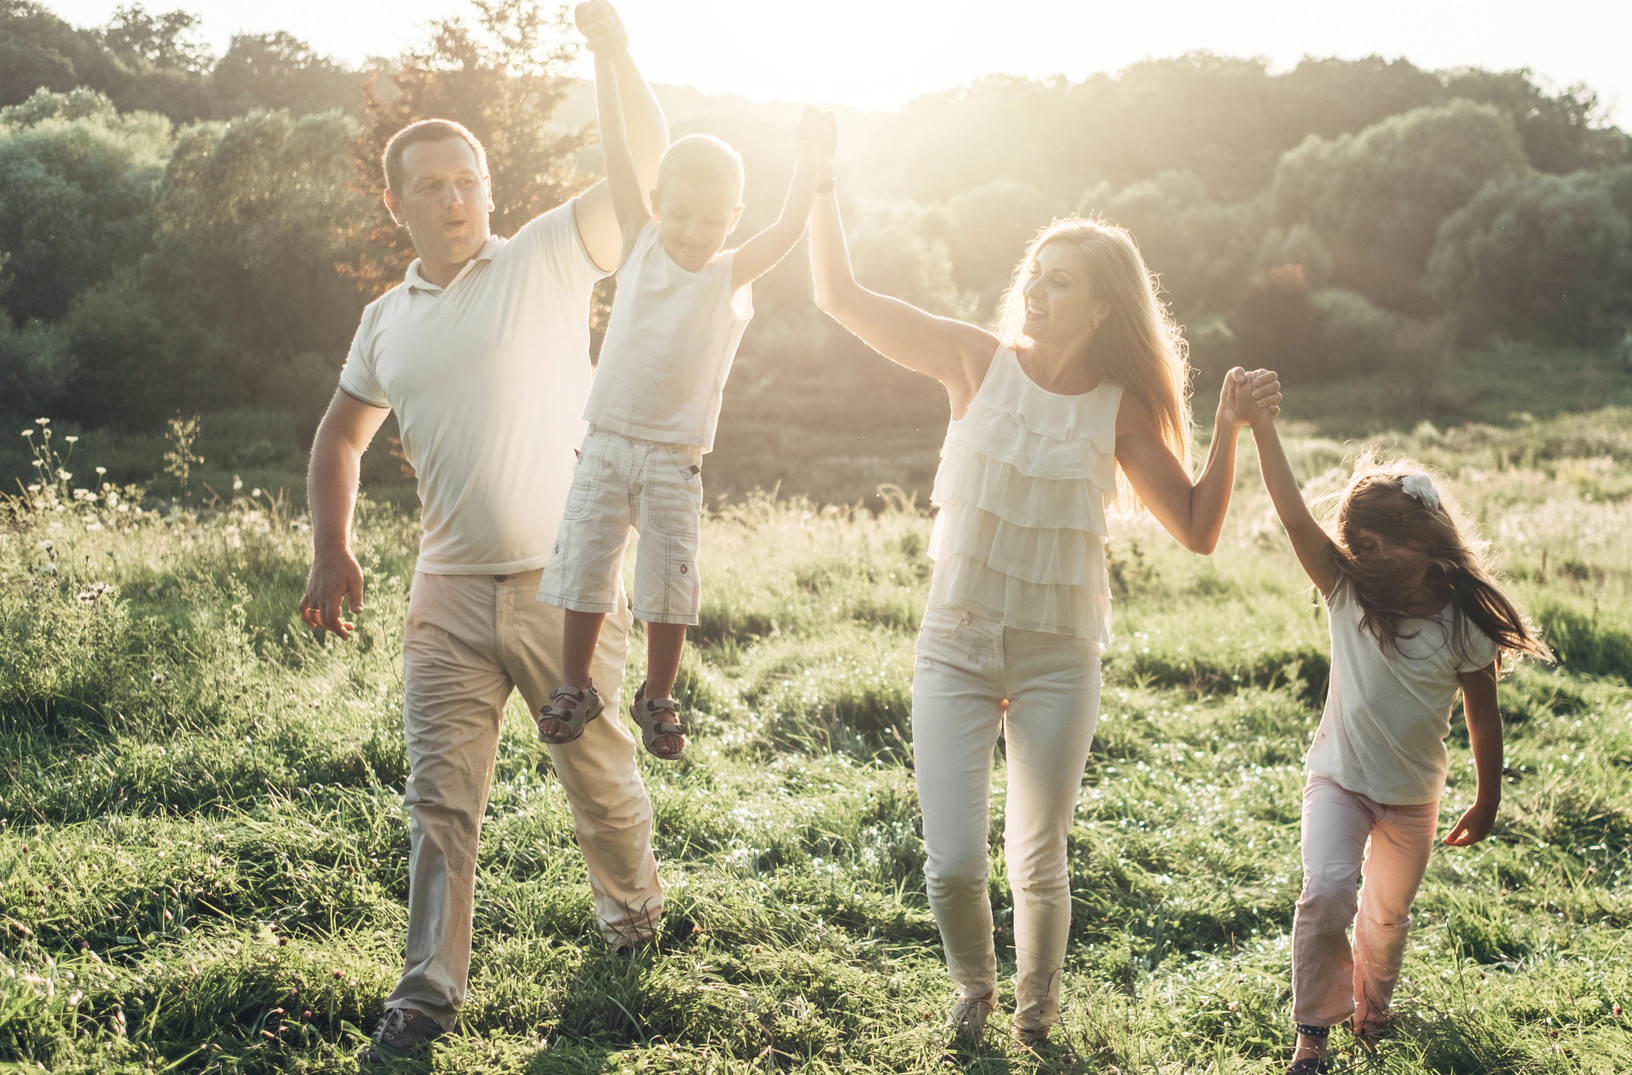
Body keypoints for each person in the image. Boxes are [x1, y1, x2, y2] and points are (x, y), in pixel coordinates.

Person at [808, 113, 1281, 1049]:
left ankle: (1035, 1014)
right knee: (951, 865)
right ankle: (971, 989)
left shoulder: (1122, 409)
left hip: (1060, 654)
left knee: (1038, 857)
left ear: (1102, 306)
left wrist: (1227, 429)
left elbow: (1195, 529)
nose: (1034, 288)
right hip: (955, 642)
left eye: (1057, 281)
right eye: (1033, 271)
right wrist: (817, 177)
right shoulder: (975, 362)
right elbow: (839, 295)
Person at [298, 3, 669, 1064]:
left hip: (567, 581)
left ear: (489, 190)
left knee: (597, 775)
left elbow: (649, 164)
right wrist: (334, 544)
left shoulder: (550, 255)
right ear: (397, 201)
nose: (456, 197)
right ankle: (424, 997)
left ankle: (634, 918)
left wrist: (614, 54)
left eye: (469, 180)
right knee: (439, 802)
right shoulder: (386, 318)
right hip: (446, 592)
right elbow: (338, 437)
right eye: (433, 184)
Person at [1227, 375, 1553, 1073]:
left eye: (1376, 546)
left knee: (1385, 916)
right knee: (1326, 894)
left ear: (1421, 539)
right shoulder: (1345, 588)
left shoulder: (1462, 617)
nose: (1362, 557)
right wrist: (1260, 429)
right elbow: (1290, 516)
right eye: (1357, 544)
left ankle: (1372, 1012)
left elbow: (1481, 710)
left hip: (1412, 795)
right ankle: (1313, 1030)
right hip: (1338, 778)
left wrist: (1489, 795)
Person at [530, 60, 829, 759]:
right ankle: (575, 685)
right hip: (604, 442)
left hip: (674, 454)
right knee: (585, 570)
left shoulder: (728, 272)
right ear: (658, 202)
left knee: (668, 579)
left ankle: (656, 692)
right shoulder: (638, 245)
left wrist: (812, 155)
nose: (694, 231)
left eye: (711, 218)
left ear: (733, 219)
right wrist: (606, 62)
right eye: (681, 213)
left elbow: (788, 226)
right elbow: (615, 147)